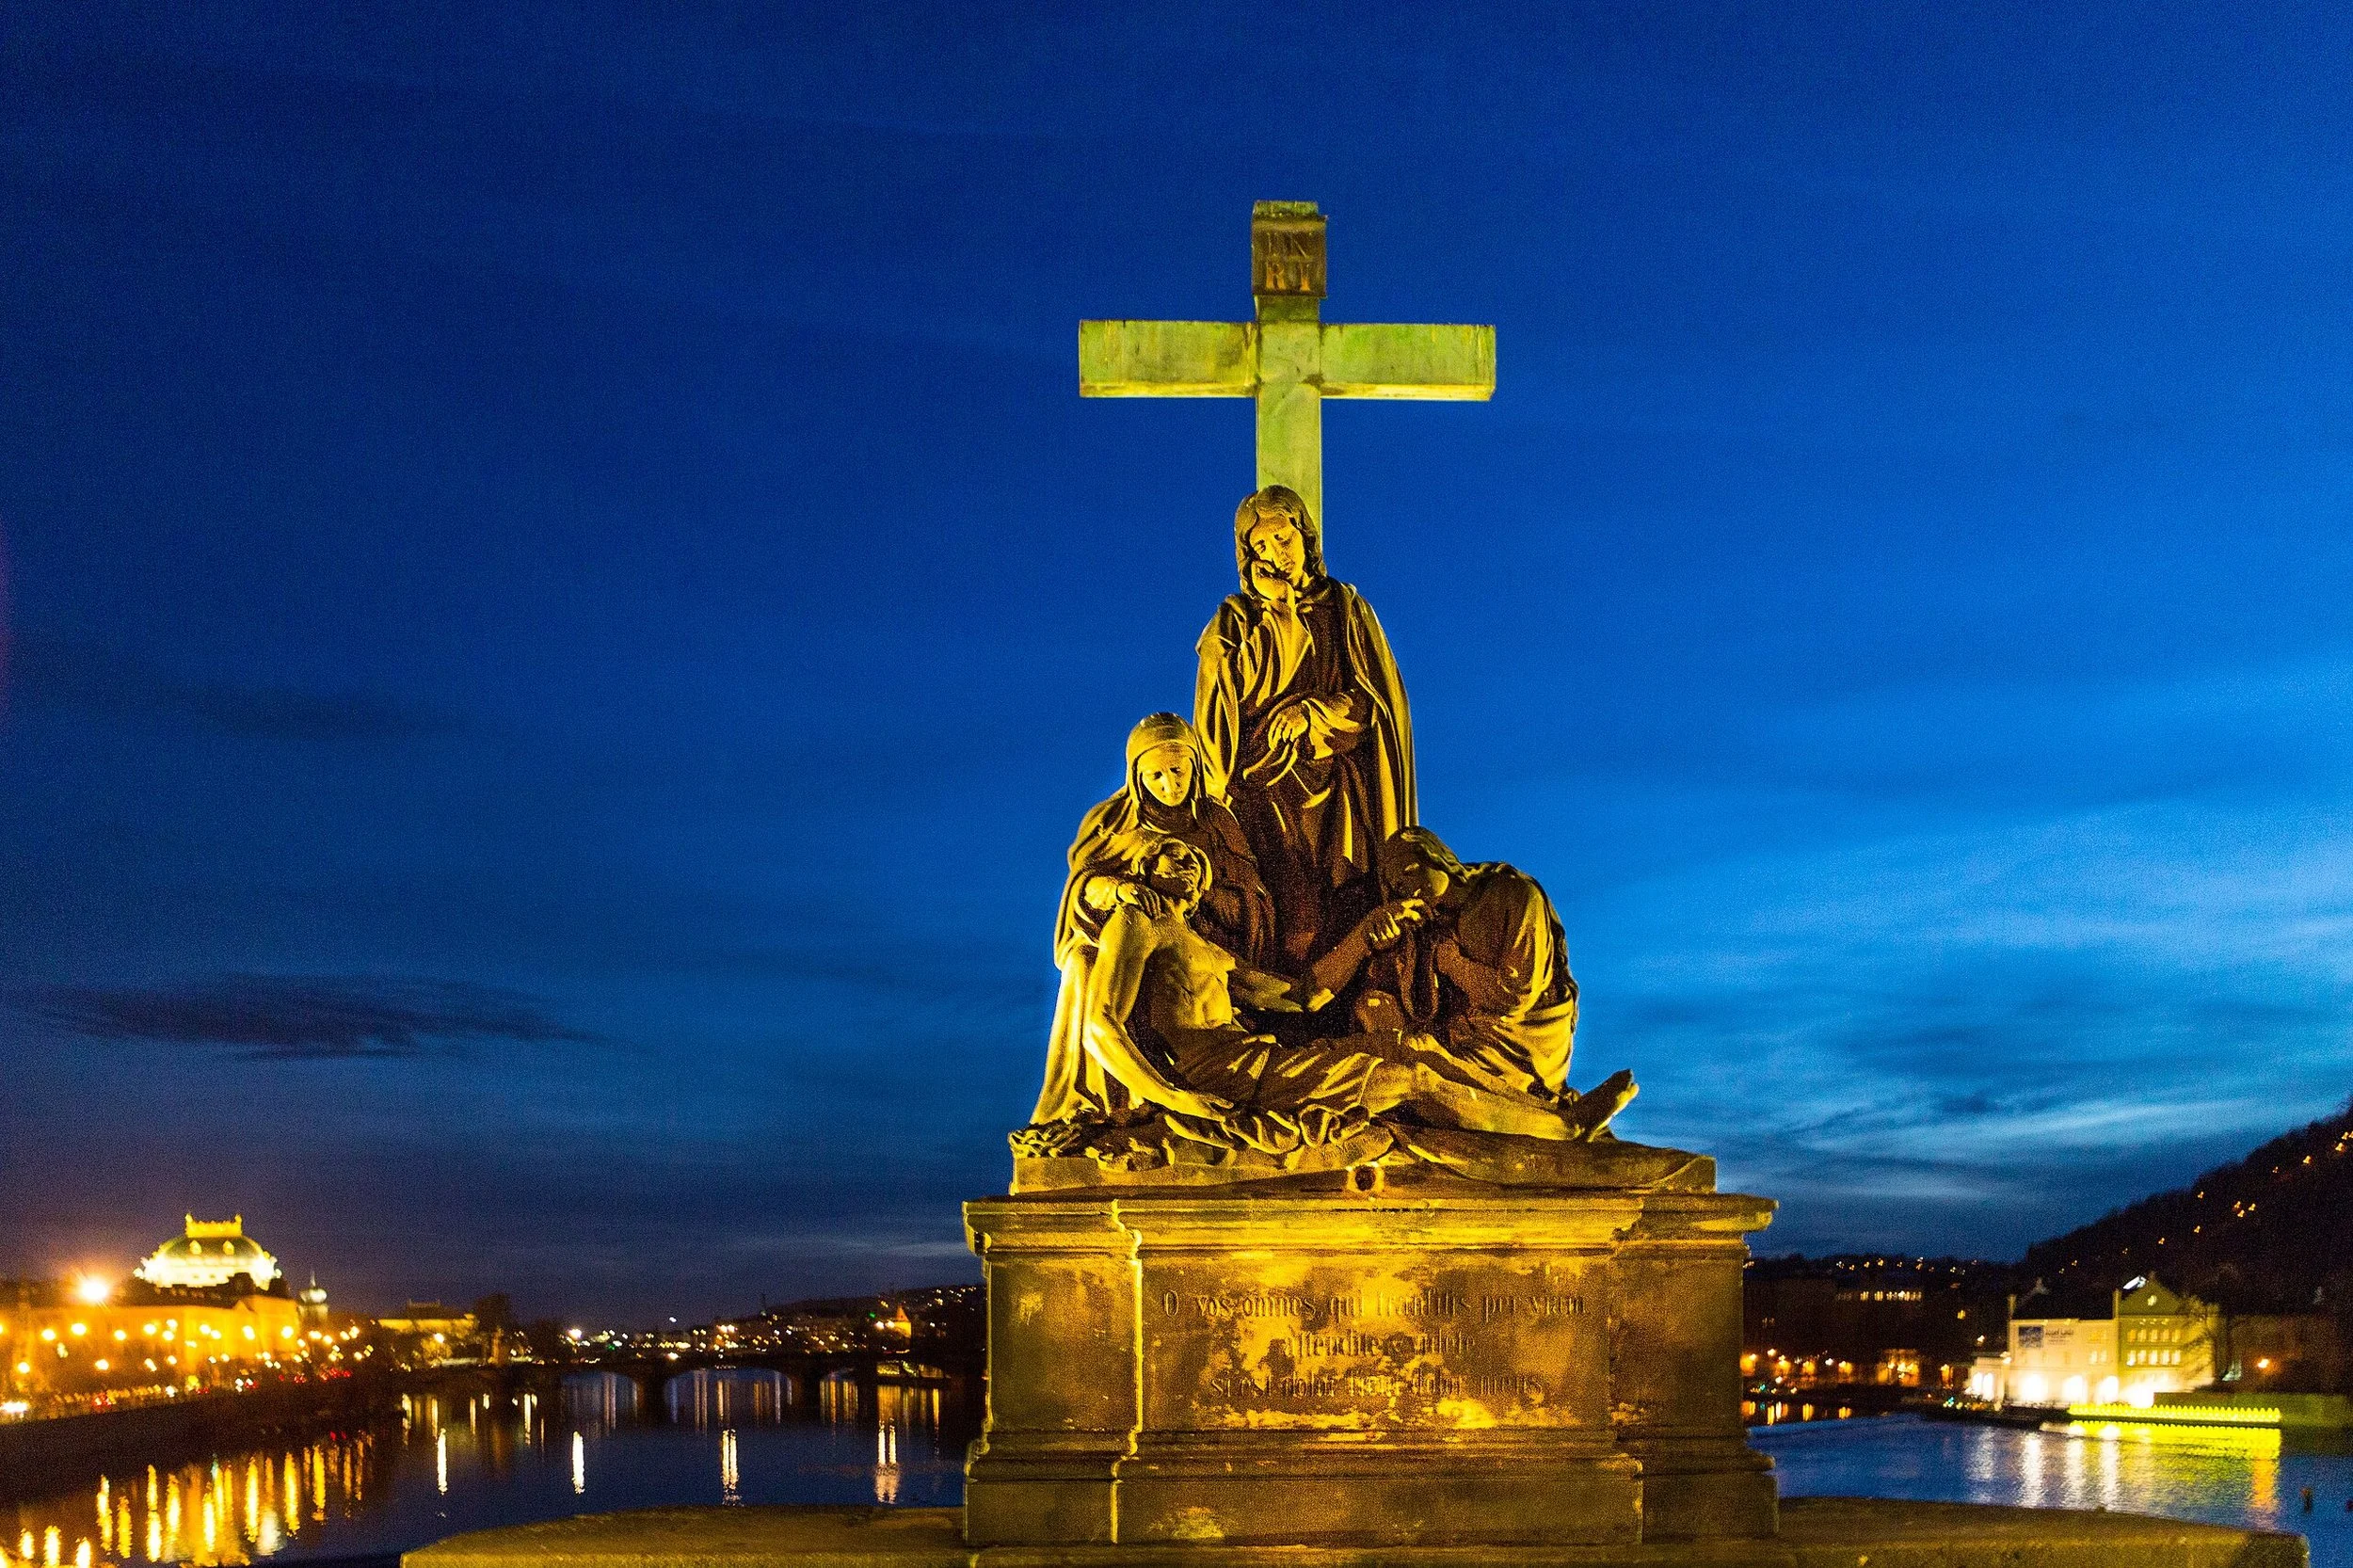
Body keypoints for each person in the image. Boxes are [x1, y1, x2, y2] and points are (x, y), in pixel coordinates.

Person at [1080, 836, 1601, 1147]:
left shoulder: (1205, 947)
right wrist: (1172, 1097)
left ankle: (1539, 1106)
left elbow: (1303, 996)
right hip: (1230, 1073)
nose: (1188, 861)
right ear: (1145, 869)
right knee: (1411, 1080)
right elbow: (1100, 1023)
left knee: (1410, 1048)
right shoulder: (1137, 920)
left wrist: (1361, 940)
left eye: (1196, 858)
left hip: (1263, 1061)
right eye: (1172, 854)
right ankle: (1556, 1132)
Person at [1195, 486, 1414, 970]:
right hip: (1263, 794)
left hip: (1338, 793)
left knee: (1348, 904)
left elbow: (1372, 699)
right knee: (1288, 917)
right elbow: (1224, 706)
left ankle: (1350, 1009)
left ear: (1305, 535)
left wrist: (1312, 715)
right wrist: (1278, 615)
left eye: (1283, 538)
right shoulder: (1237, 619)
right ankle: (1283, 1016)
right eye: (1261, 547)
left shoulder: (1343, 607)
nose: (1277, 554)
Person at [1027, 714, 1273, 1127]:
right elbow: (1083, 886)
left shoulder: (1218, 822)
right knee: (1083, 968)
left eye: (1177, 771)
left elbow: (1252, 892)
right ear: (1137, 776)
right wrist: (1119, 889)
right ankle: (1110, 1104)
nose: (1169, 784)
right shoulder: (1112, 822)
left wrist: (1205, 900)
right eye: (1155, 775)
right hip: (1131, 937)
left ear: (1195, 768)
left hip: (1204, 945)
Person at [1310, 827, 1584, 1102]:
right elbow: (1317, 991)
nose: (1405, 887)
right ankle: (1316, 1059)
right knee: (1381, 1024)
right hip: (1465, 1037)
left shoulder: (1515, 894)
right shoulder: (1430, 920)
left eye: (1409, 871)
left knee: (1406, 1062)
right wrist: (1373, 937)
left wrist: (1451, 962)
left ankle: (1315, 1065)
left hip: (1519, 1047)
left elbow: (1514, 995)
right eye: (1397, 885)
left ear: (1436, 856)